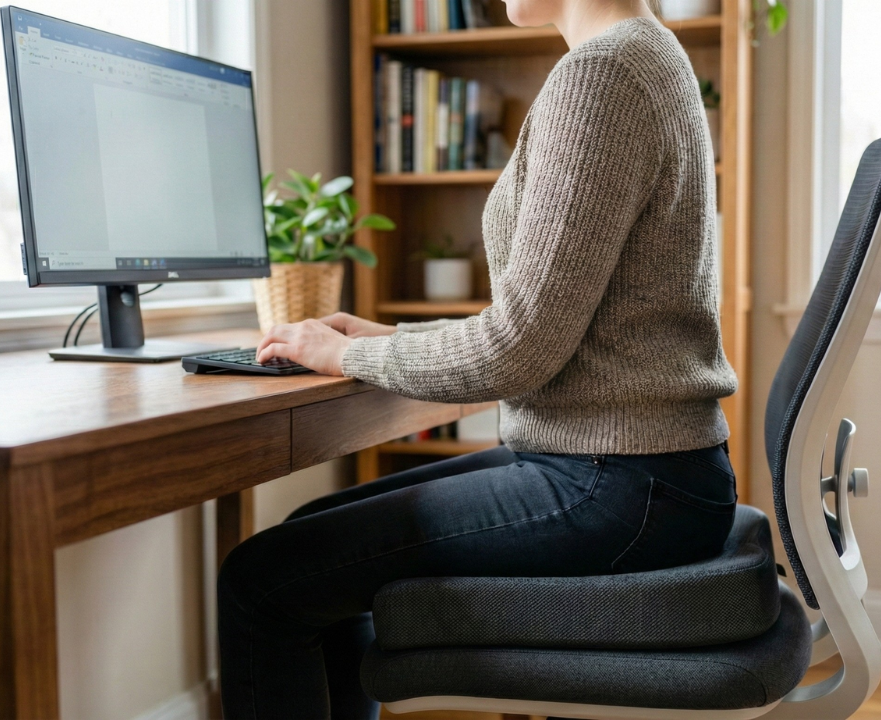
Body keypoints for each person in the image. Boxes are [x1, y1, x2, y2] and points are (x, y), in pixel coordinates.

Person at [218, 0, 737, 716]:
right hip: (639, 473)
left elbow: (516, 349)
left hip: (619, 485)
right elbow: (544, 320)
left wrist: (349, 357)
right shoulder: (646, 55)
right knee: (306, 536)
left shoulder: (603, 74)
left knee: (263, 580)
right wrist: (374, 343)